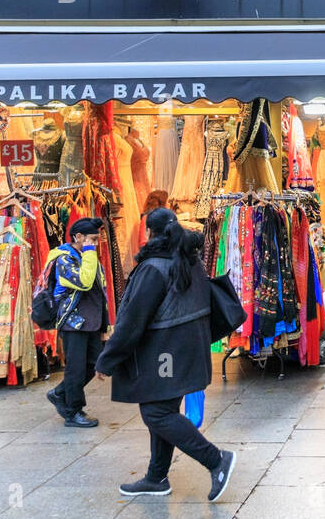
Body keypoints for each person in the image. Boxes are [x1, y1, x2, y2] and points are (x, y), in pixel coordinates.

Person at [96, 208, 237, 500]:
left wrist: (107, 359)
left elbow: (133, 321)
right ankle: (157, 477)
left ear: (148, 233)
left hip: (166, 353)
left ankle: (216, 460)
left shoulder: (153, 268)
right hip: (188, 347)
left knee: (156, 412)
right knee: (163, 409)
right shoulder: (188, 259)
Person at [44, 217, 108, 428]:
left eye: (97, 240)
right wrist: (90, 253)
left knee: (94, 363)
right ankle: (73, 411)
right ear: (78, 237)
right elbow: (85, 281)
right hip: (73, 321)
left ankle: (59, 393)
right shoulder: (64, 258)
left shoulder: (87, 255)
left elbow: (101, 290)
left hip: (91, 321)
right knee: (76, 368)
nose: (95, 244)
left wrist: (105, 325)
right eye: (92, 239)